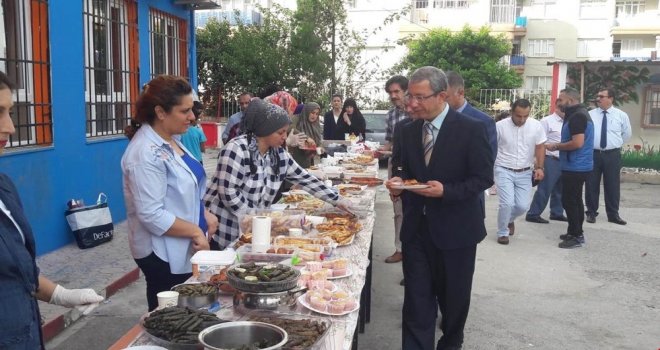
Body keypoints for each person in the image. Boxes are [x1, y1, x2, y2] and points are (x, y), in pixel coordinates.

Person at [385, 66, 494, 350]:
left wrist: (446, 191)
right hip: (416, 231)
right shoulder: (406, 130)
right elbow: (401, 168)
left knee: (453, 300)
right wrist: (397, 183)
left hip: (456, 232)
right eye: (410, 96)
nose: (412, 104)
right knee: (417, 303)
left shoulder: (472, 129)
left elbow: (483, 178)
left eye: (420, 97)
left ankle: (451, 342)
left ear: (442, 96)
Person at [0, 71, 104, 349]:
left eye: (10, 112)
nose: (10, 127)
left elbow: (17, 270)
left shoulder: (4, 186)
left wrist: (61, 295)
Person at [121, 75, 217, 311]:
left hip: (183, 245)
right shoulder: (144, 154)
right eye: (184, 111)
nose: (192, 117)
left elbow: (186, 188)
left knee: (192, 310)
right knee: (170, 315)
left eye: (192, 109)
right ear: (161, 112)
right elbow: (151, 214)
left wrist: (204, 214)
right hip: (161, 253)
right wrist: (195, 230)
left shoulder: (171, 140)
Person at [204, 99, 351, 250]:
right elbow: (228, 192)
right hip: (227, 232)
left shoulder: (278, 154)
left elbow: (305, 178)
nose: (284, 137)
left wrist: (337, 199)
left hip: (257, 232)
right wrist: (256, 218)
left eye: (285, 132)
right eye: (280, 132)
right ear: (264, 130)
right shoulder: (236, 150)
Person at [546, 88, 594, 249]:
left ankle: (577, 236)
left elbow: (577, 143)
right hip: (577, 164)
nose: (558, 102)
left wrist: (556, 146)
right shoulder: (578, 113)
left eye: (561, 99)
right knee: (575, 200)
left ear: (571, 101)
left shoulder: (578, 116)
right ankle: (573, 231)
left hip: (576, 165)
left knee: (570, 201)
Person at [494, 99, 546, 245]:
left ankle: (509, 219)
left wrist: (540, 167)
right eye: (518, 116)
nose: (522, 119)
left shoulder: (536, 126)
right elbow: (491, 147)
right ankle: (503, 232)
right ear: (511, 112)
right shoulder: (499, 127)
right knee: (507, 203)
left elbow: (541, 147)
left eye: (525, 116)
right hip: (503, 168)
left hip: (525, 171)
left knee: (523, 206)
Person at [585, 88, 631, 225]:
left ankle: (613, 214)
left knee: (612, 184)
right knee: (591, 184)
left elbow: (626, 134)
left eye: (602, 96)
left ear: (611, 98)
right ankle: (591, 213)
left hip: (612, 154)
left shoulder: (621, 115)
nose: (598, 98)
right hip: (594, 154)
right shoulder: (590, 114)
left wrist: (613, 145)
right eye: (597, 96)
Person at [378, 75, 408, 264]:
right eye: (390, 93)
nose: (394, 96)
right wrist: (381, 150)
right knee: (398, 210)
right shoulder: (391, 115)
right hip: (396, 166)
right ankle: (399, 248)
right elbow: (390, 142)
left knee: (416, 212)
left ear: (406, 90)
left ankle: (413, 254)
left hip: (416, 169)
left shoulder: (418, 112)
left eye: (397, 91)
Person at [526, 99, 567, 223]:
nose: (563, 111)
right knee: (545, 188)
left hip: (564, 159)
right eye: (562, 108)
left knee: (560, 188)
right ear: (556, 106)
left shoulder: (568, 122)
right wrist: (539, 163)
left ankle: (557, 212)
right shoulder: (546, 121)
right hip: (551, 158)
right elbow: (539, 142)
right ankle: (533, 213)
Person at [445, 71, 497, 158]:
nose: (440, 101)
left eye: (445, 97)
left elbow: (487, 159)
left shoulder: (484, 122)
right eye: (438, 96)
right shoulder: (433, 118)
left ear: (461, 93)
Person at [288, 102, 323, 169]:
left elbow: (318, 141)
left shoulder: (315, 124)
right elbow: (290, 127)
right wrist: (306, 137)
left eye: (317, 114)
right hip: (295, 157)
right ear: (307, 111)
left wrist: (320, 148)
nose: (314, 116)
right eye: (312, 113)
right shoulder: (297, 118)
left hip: (308, 160)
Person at [180, 96, 207, 163]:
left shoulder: (180, 130)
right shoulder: (199, 130)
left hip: (184, 160)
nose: (203, 114)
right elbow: (202, 149)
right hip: (197, 160)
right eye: (201, 112)